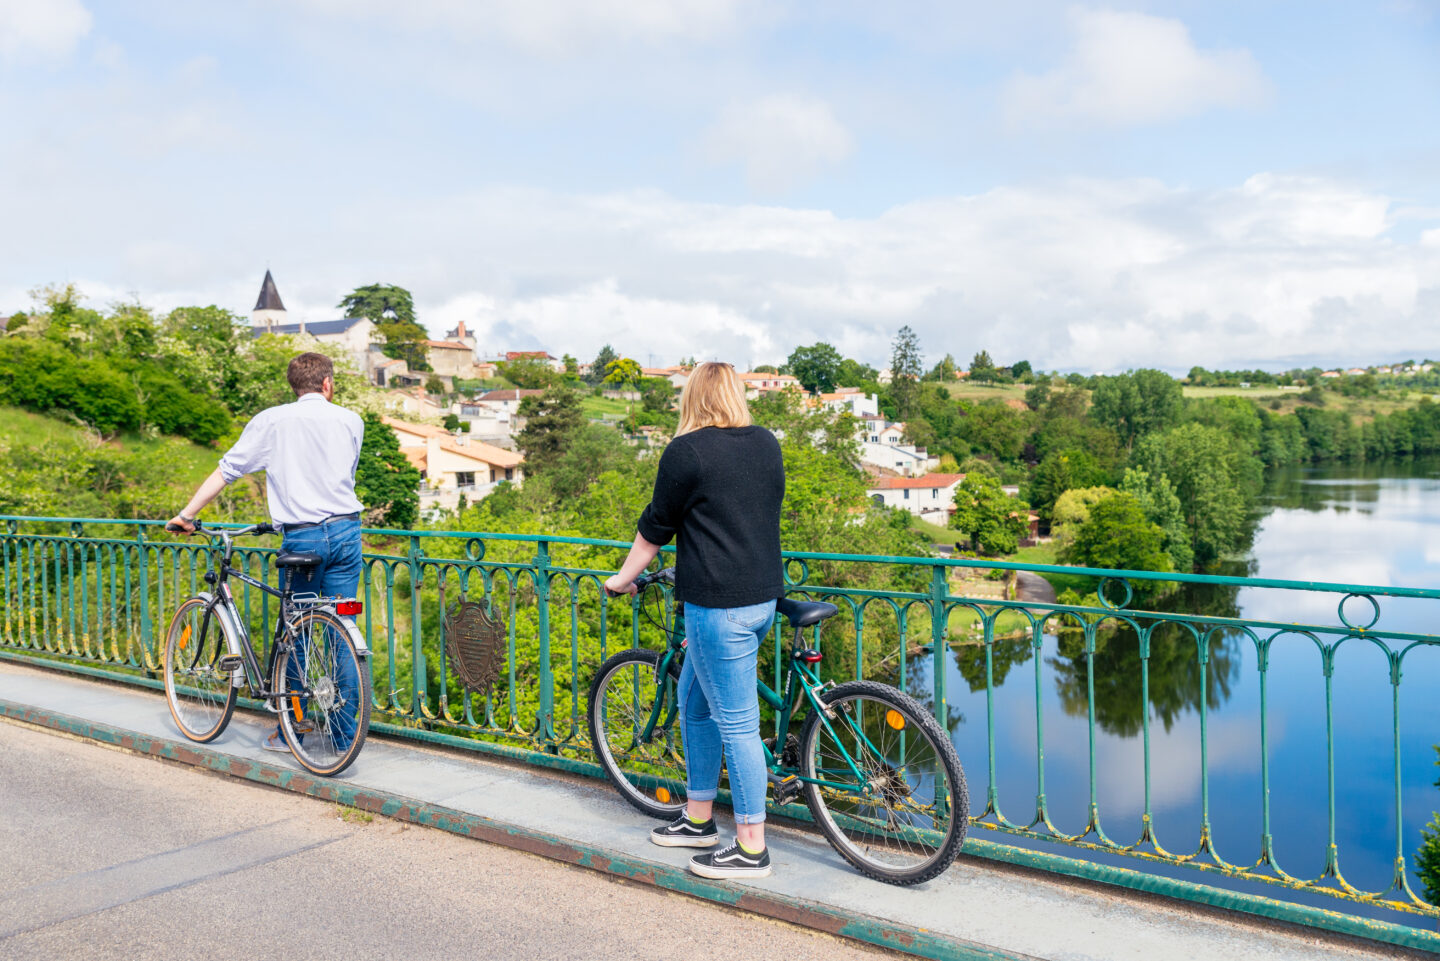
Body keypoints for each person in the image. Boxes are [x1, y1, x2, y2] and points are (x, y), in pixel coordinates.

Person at [604, 362, 785, 879]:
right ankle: (698, 818)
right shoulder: (766, 443)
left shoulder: (687, 452)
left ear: (692, 397)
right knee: (694, 703)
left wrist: (620, 579)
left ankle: (752, 847)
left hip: (718, 607)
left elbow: (654, 529)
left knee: (738, 725)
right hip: (762, 600)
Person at [168, 351, 365, 753]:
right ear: (327, 384)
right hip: (347, 532)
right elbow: (347, 473)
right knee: (340, 629)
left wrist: (188, 514)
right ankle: (346, 738)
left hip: (304, 537)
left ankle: (294, 730)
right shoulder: (351, 420)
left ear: (295, 385)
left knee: (297, 633)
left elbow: (228, 470)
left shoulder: (273, 421)